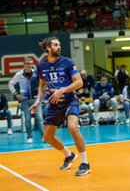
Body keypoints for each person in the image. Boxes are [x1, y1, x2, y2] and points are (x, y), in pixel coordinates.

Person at [29, 37, 91, 176]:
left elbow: (79, 82)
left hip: (70, 101)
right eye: (56, 45)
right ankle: (69, 155)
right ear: (48, 48)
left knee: (72, 127)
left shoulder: (67, 62)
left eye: (60, 45)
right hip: (54, 104)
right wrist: (38, 100)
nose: (59, 47)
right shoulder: (41, 66)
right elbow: (42, 85)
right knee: (47, 137)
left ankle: (85, 163)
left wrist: (62, 90)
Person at [8, 58, 44, 143]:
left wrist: (41, 95)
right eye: (28, 63)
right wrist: (16, 94)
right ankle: (29, 136)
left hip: (35, 99)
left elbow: (43, 84)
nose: (30, 65)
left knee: (40, 118)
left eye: (31, 64)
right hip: (25, 100)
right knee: (27, 119)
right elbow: (10, 84)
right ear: (24, 64)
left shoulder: (36, 73)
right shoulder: (19, 74)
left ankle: (43, 136)